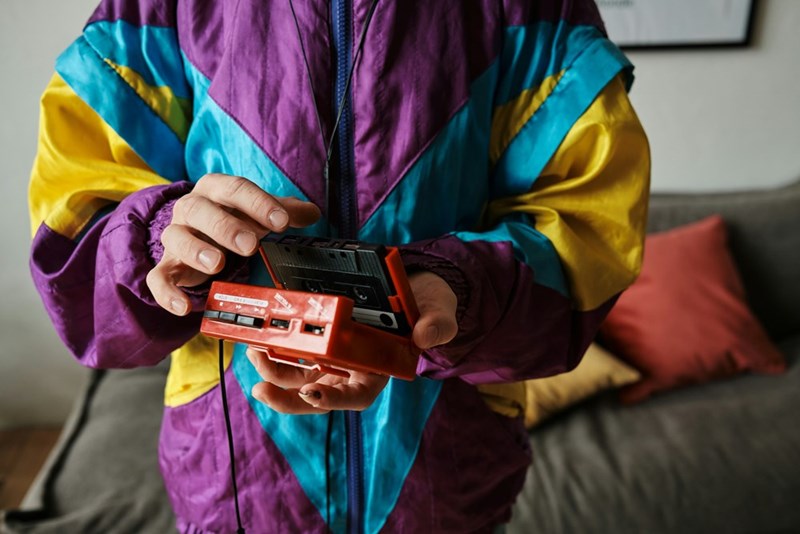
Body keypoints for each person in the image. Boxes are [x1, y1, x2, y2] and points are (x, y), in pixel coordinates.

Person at [28, 0, 650, 532]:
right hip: (235, 486)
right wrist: (162, 238)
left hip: (446, 482)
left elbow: (587, 230)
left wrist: (453, 291)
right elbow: (75, 239)